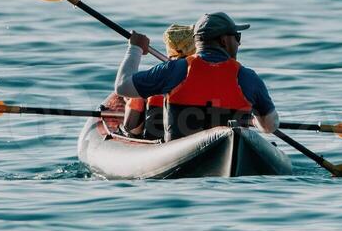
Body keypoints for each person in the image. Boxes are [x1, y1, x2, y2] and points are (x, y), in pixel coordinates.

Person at [114, 12, 279, 141]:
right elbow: (270, 127)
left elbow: (122, 87)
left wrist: (134, 48)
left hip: (179, 153)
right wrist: (254, 121)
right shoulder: (248, 77)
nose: (239, 43)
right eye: (237, 37)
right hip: (229, 150)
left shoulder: (174, 69)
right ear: (223, 41)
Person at [118, 24, 195, 139]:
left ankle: (129, 131)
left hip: (158, 137)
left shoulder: (165, 72)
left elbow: (122, 88)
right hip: (193, 129)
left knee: (137, 98)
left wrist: (135, 48)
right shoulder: (210, 68)